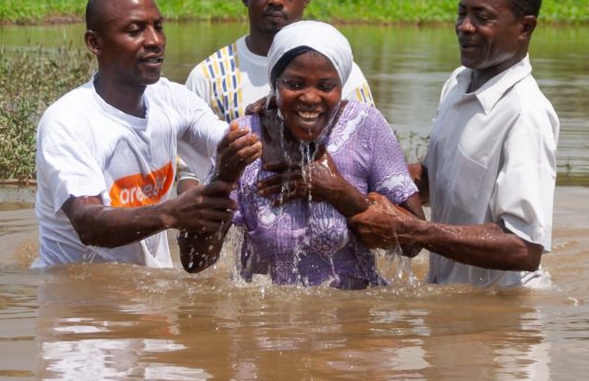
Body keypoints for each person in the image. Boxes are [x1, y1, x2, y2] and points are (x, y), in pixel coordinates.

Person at [348, 0, 559, 289]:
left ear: (525, 27)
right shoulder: (458, 83)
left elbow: (524, 248)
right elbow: (434, 180)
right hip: (449, 297)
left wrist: (411, 231)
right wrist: (349, 185)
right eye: (462, 13)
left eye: (482, 17)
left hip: (502, 319)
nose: (465, 26)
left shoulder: (526, 113)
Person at [179, 21, 424, 289]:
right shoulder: (246, 138)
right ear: (275, 84)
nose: (309, 97)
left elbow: (413, 242)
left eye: (326, 86)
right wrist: (223, 179)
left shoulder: (365, 127)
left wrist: (339, 192)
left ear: (341, 87)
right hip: (264, 320)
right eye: (294, 84)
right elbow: (195, 262)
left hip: (350, 321)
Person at [33, 0, 260, 269]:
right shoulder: (67, 121)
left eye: (159, 26)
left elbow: (230, 142)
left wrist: (270, 119)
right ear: (94, 43)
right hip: (77, 300)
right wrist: (169, 214)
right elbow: (88, 224)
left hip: (149, 292)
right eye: (135, 30)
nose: (155, 40)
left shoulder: (173, 100)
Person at [184, 0, 374, 123]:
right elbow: (189, 156)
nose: (276, 0)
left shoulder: (341, 72)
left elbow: (370, 144)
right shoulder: (209, 78)